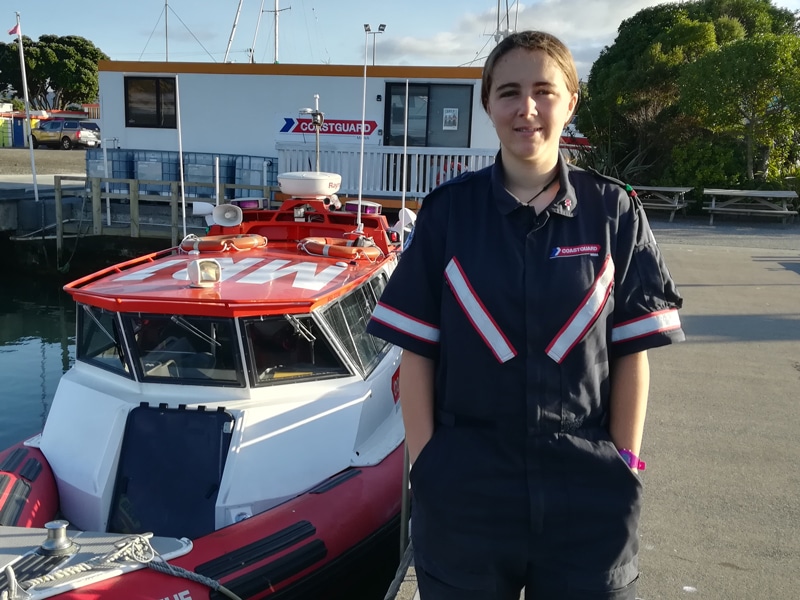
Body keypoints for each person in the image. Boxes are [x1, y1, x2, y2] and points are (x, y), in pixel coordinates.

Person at [366, 30, 684, 600]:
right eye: (509, 92)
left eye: (544, 90)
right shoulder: (447, 215)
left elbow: (631, 354)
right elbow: (418, 354)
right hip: (466, 485)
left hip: (587, 484)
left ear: (570, 101)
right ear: (487, 104)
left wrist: (625, 459)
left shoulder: (614, 211)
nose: (527, 108)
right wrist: (429, 463)